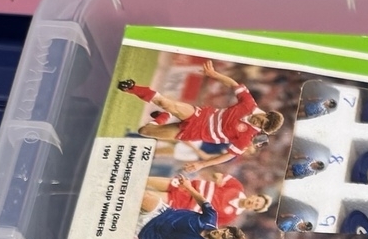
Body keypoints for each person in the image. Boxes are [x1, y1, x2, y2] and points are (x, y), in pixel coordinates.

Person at [120, 60, 284, 172]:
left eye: (260, 126)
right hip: (200, 116)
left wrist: (201, 165)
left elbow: (226, 156)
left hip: (195, 133)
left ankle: (162, 117)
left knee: (145, 131)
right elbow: (235, 85)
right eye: (261, 120)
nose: (257, 123)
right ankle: (131, 88)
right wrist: (214, 74)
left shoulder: (247, 137)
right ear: (266, 114)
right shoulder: (249, 104)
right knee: (168, 103)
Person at [135, 181, 243, 239]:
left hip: (146, 231)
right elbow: (202, 201)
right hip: (161, 212)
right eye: (223, 230)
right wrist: (189, 187)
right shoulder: (210, 217)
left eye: (222, 236)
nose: (220, 232)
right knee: (144, 197)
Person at [141, 172, 269, 226]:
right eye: (257, 200)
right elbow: (218, 175)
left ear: (253, 209)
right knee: (146, 180)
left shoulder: (230, 217)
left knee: (143, 196)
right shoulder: (237, 187)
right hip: (185, 185)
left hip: (181, 202)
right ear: (254, 195)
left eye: (256, 205)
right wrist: (218, 178)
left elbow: (205, 221)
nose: (254, 202)